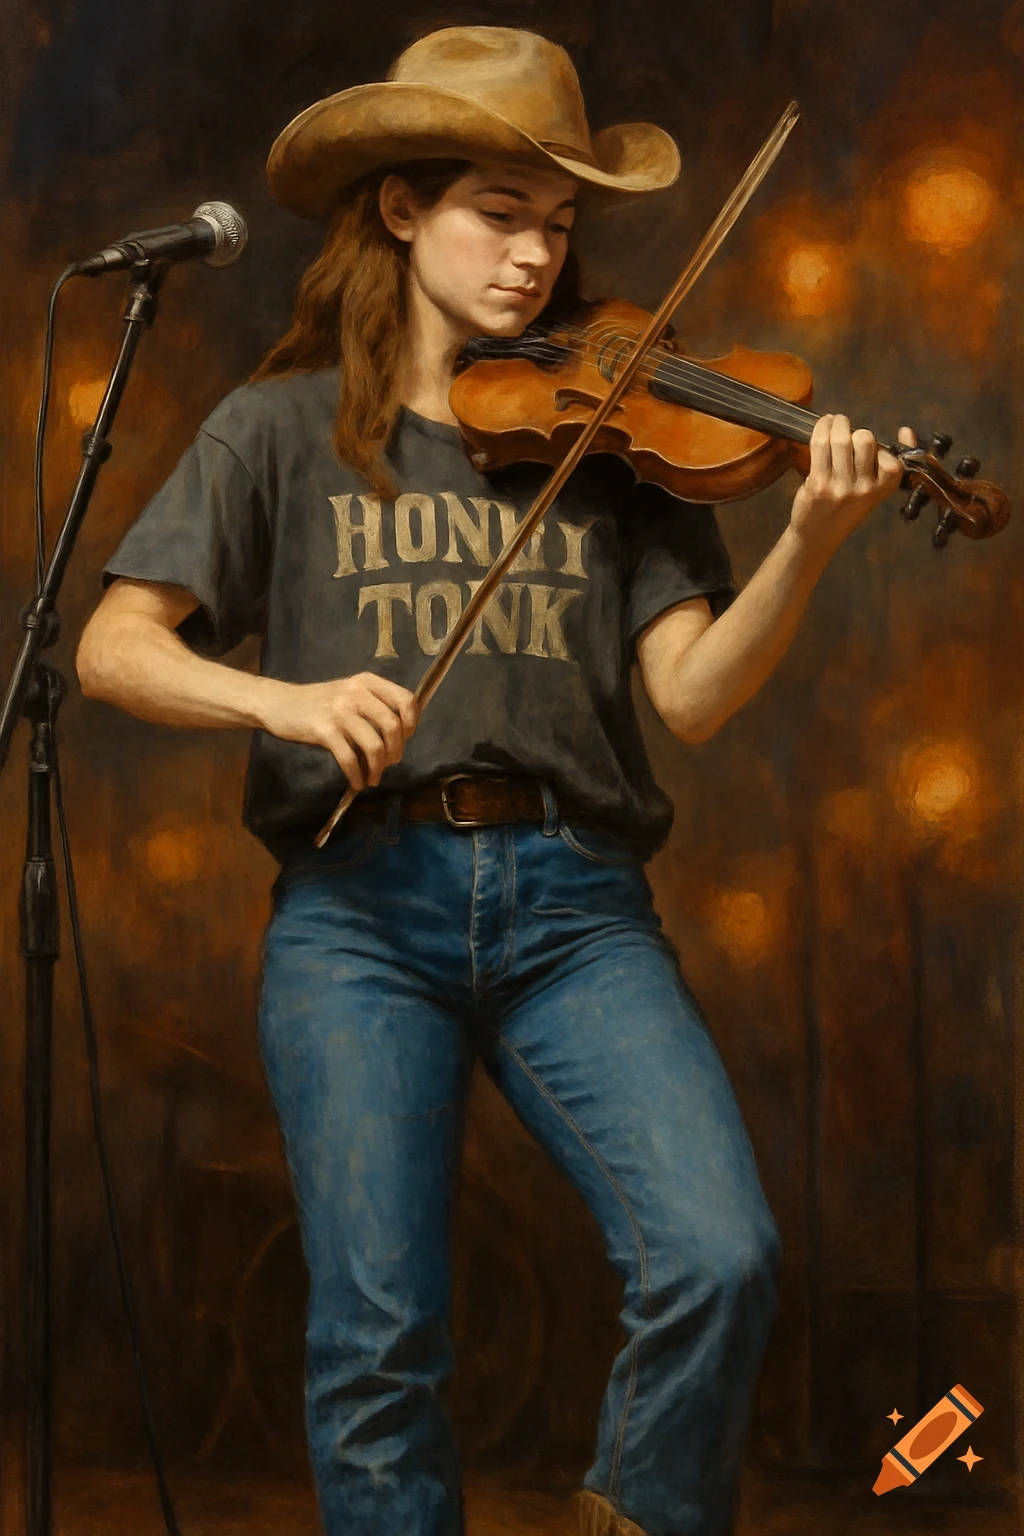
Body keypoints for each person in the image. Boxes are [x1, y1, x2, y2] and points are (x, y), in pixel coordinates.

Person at [75, 25, 915, 1536]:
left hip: (573, 910)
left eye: (560, 224)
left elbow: (694, 699)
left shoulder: (616, 431)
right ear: (401, 208)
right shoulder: (274, 429)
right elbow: (116, 650)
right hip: (357, 919)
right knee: (379, 1342)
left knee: (718, 1254)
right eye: (498, 213)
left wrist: (808, 541)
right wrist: (286, 695)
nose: (536, 259)